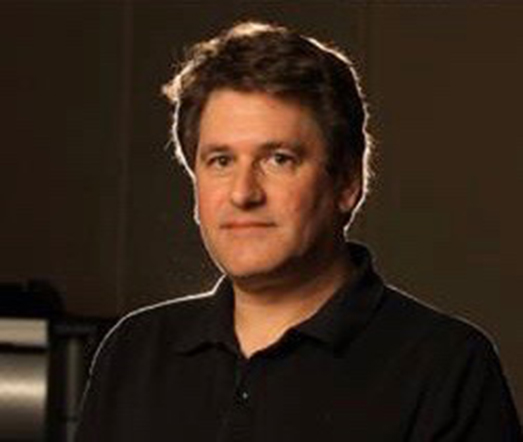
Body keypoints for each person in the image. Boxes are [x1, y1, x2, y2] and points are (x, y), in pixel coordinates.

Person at [75, 21, 521, 441]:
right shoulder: (135, 352)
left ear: (347, 183)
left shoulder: (445, 367)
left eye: (279, 159)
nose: (243, 193)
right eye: (221, 161)